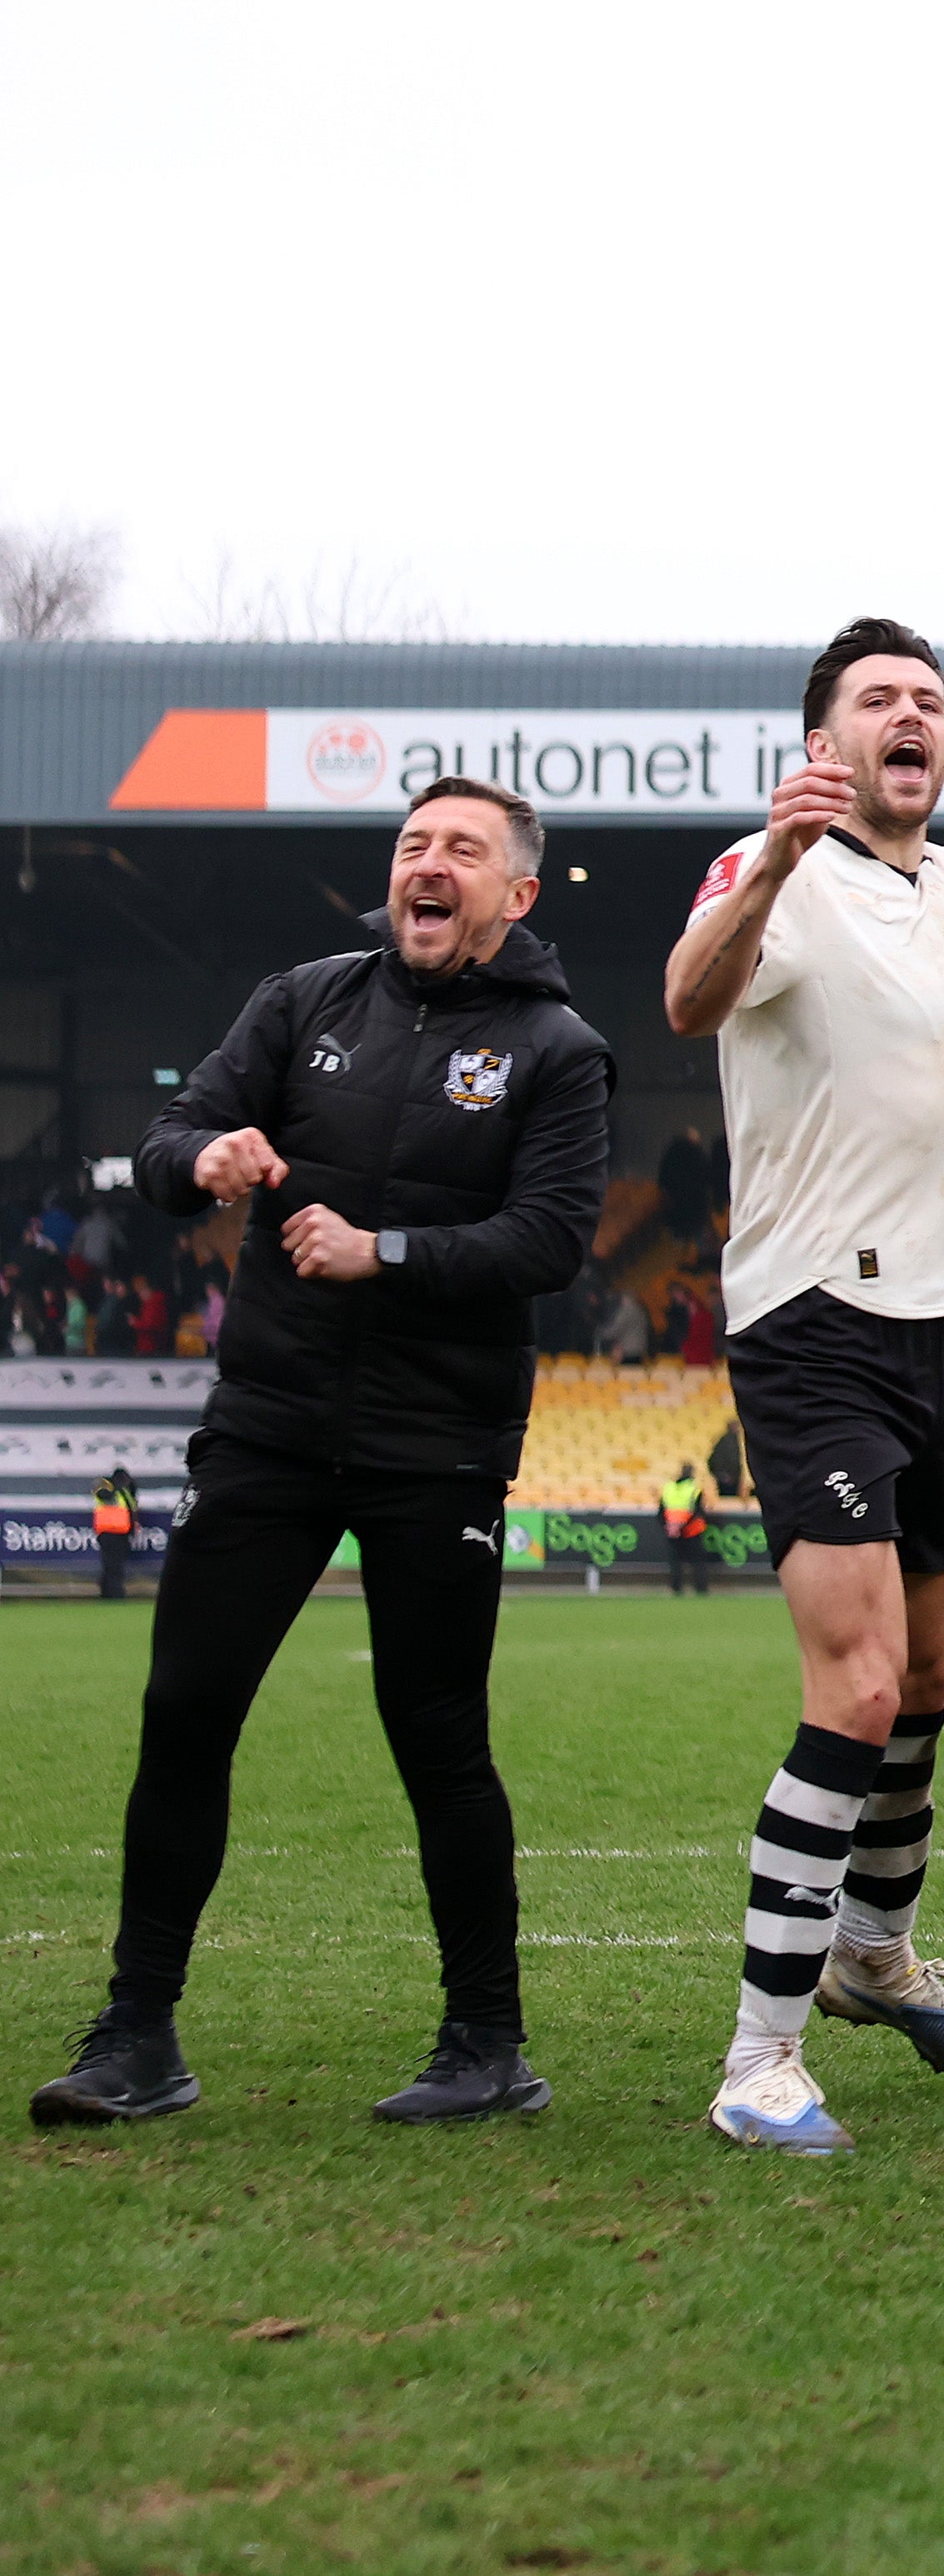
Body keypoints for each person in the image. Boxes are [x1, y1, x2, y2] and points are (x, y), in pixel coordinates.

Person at [32, 776, 612, 2131]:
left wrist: (381, 1253)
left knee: (435, 1738)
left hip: (438, 1447)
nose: (429, 864)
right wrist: (204, 1159)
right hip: (271, 1429)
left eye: (462, 849)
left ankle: (487, 2044)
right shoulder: (305, 999)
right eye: (415, 844)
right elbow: (164, 1144)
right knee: (184, 1716)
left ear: (515, 893)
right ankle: (138, 2038)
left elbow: (552, 1244)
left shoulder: (557, 1049)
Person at [664, 579, 944, 2154]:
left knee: (924, 1680)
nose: (912, 716)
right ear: (819, 744)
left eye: (929, 699)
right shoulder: (777, 869)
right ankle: (757, 2059)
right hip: (813, 1325)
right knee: (852, 1690)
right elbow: (687, 997)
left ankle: (870, 1955)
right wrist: (774, 858)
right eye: (880, 700)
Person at [662, 1462, 715, 1597]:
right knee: (698, 1562)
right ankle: (701, 1588)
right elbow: (698, 1511)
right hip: (692, 1531)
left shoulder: (669, 1488)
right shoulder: (694, 1489)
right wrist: (683, 1526)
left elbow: (661, 1511)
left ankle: (676, 1588)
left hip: (672, 1531)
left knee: (675, 1562)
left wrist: (670, 1527)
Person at [89, 1462, 132, 1601]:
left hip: (120, 1532)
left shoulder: (124, 1491)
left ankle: (110, 1590)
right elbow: (104, 1494)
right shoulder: (106, 1487)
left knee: (115, 1564)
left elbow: (131, 1509)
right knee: (111, 1564)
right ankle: (113, 1592)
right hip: (108, 1531)